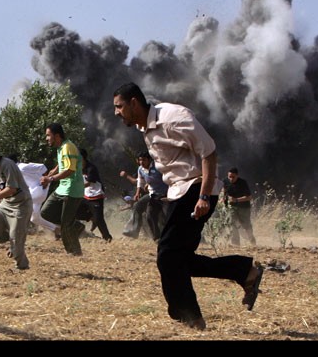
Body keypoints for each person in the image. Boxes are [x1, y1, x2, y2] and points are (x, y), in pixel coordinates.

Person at [113, 82, 264, 331]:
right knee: (181, 261)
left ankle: (190, 317)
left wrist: (203, 196)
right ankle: (245, 271)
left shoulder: (173, 117)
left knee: (167, 255)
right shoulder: (145, 127)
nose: (116, 112)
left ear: (134, 103)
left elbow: (209, 152)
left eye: (119, 107)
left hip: (196, 190)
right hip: (178, 193)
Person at [0, 141, 33, 271]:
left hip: (21, 204)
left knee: (16, 240)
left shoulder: (7, 165)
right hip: (6, 204)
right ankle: (15, 241)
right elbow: (1, 189)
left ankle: (22, 266)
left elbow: (12, 188)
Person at [39, 123, 86, 256]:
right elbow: (63, 164)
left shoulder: (68, 147)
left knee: (65, 226)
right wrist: (53, 171)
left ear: (57, 135)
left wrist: (50, 179)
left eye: (48, 135)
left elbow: (70, 169)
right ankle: (76, 225)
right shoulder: (61, 148)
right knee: (45, 212)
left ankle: (74, 253)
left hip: (72, 190)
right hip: (62, 189)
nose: (46, 138)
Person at [6, 154, 56, 237]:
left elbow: (42, 167)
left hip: (38, 190)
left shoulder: (22, 167)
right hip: (34, 191)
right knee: (34, 218)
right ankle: (56, 229)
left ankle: (16, 230)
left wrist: (45, 181)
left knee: (19, 203)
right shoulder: (15, 171)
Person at [123, 151, 168, 242]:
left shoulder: (157, 167)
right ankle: (138, 231)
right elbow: (140, 181)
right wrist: (137, 193)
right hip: (153, 194)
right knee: (141, 208)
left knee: (167, 216)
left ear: (149, 160)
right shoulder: (140, 169)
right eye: (140, 160)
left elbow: (168, 177)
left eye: (144, 160)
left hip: (165, 194)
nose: (141, 162)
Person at [75, 148, 113, 242]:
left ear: (82, 157)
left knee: (99, 219)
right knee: (73, 211)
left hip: (96, 196)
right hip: (85, 195)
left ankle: (107, 238)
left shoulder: (91, 168)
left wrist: (75, 188)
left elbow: (88, 183)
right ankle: (90, 220)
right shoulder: (77, 167)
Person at [222, 167, 256, 247]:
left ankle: (252, 242)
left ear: (237, 176)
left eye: (233, 177)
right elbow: (223, 193)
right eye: (229, 176)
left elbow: (249, 197)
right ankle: (235, 244)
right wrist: (223, 199)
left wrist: (236, 200)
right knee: (232, 224)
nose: (231, 179)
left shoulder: (242, 183)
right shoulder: (225, 181)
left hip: (243, 207)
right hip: (231, 207)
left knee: (246, 225)